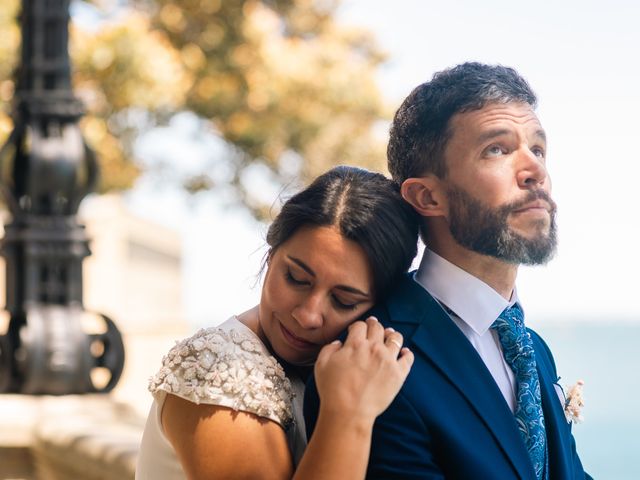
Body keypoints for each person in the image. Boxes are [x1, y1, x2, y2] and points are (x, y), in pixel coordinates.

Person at [305, 63, 592, 479]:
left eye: (538, 149)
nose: (535, 172)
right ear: (426, 196)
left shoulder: (534, 350)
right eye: (497, 149)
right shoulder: (377, 361)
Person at [135, 166, 419, 480]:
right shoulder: (216, 375)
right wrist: (349, 413)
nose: (308, 315)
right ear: (271, 256)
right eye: (296, 278)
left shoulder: (348, 367)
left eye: (343, 301)